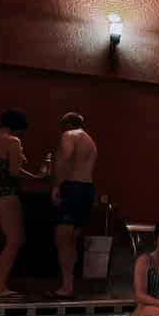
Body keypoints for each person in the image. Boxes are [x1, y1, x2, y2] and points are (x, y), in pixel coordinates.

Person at [0, 110, 46, 299]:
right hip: (6, 193)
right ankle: (0, 287)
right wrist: (39, 177)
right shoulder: (13, 141)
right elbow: (15, 172)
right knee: (15, 239)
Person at [48, 112, 98, 299]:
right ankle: (69, 285)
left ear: (67, 123)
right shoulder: (90, 141)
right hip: (87, 189)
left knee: (63, 240)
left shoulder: (69, 135)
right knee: (72, 239)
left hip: (72, 188)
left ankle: (66, 287)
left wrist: (56, 185)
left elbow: (66, 158)